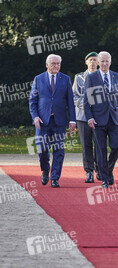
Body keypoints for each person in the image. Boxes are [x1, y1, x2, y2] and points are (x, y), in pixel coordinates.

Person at [29, 54, 76, 188]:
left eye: (58, 63)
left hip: (59, 121)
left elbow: (70, 102)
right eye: (53, 63)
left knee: (59, 150)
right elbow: (32, 101)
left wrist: (72, 120)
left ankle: (55, 177)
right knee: (41, 148)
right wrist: (35, 117)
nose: (56, 66)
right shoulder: (38, 79)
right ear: (47, 64)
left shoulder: (65, 79)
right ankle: (45, 169)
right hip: (42, 121)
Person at [83, 51, 118, 188]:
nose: (104, 64)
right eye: (101, 61)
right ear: (98, 62)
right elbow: (86, 101)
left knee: (117, 146)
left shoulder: (116, 76)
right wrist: (89, 117)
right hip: (98, 119)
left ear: (110, 61)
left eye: (106, 61)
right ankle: (104, 179)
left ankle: (108, 170)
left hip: (115, 118)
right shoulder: (91, 77)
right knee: (100, 149)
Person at [73, 52, 100, 183]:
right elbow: (74, 96)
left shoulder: (102, 77)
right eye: (90, 60)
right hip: (83, 116)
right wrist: (86, 107)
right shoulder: (79, 78)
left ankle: (99, 169)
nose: (93, 62)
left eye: (95, 60)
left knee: (99, 144)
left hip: (100, 116)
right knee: (86, 145)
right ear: (86, 62)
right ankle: (89, 171)